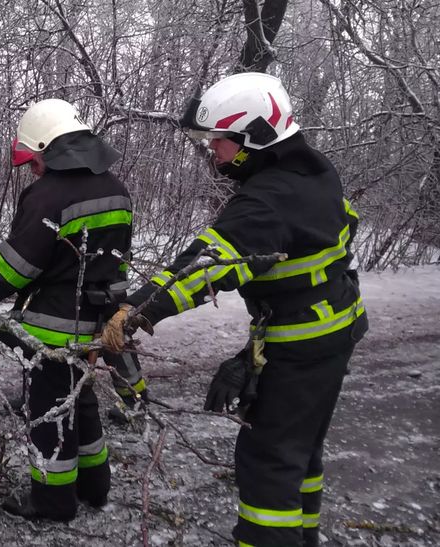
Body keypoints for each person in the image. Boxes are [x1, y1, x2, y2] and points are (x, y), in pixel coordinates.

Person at [101, 72, 368, 547]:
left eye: (220, 140)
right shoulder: (313, 171)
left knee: (268, 461)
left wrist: (136, 310)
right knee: (301, 450)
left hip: (301, 344)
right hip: (332, 329)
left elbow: (205, 266)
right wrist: (254, 350)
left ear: (255, 137)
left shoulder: (268, 200)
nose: (213, 150)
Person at [0, 98, 145, 522]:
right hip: (100, 324)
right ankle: (95, 488)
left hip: (54, 329)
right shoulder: (116, 188)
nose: (32, 169)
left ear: (48, 146)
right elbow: (118, 260)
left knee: (48, 413)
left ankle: (53, 502)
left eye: (34, 160)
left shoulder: (47, 196)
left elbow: (18, 264)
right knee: (81, 402)